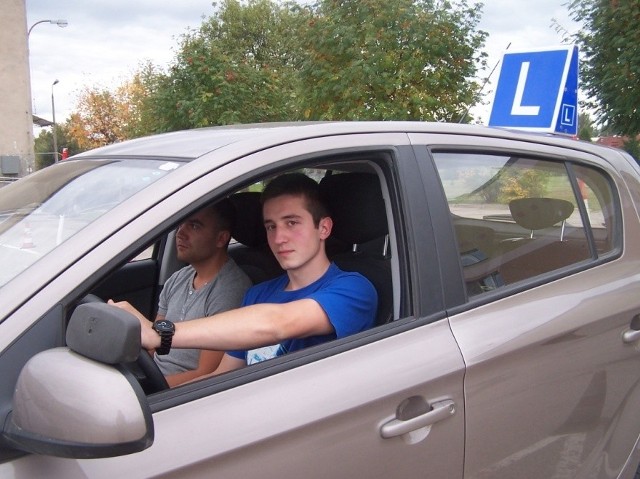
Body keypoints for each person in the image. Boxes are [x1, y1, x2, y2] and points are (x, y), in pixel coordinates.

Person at [116, 173, 377, 378]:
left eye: (292, 223)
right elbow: (223, 375)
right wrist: (159, 400)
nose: (279, 237)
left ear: (324, 228)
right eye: (270, 226)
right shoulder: (258, 293)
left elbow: (278, 323)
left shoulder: (354, 289)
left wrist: (160, 333)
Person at [110, 199, 252, 387]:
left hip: (182, 395)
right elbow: (156, 346)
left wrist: (146, 391)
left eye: (194, 226)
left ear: (221, 238)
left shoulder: (230, 290)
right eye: (182, 223)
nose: (180, 233)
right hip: (153, 375)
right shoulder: (178, 279)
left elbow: (207, 373)